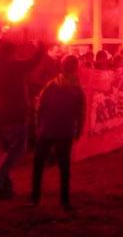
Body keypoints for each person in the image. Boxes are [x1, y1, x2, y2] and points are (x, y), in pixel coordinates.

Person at [0, 40, 46, 198]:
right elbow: (33, 62)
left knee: (4, 151)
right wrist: (41, 48)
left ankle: (4, 186)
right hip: (14, 113)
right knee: (17, 149)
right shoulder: (12, 66)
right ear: (11, 53)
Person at [31, 55, 86, 210]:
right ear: (76, 68)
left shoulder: (51, 85)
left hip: (47, 129)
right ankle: (64, 199)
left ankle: (35, 196)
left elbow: (40, 107)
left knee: (39, 164)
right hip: (64, 130)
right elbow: (80, 112)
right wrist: (79, 129)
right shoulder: (77, 89)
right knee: (64, 166)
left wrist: (38, 127)